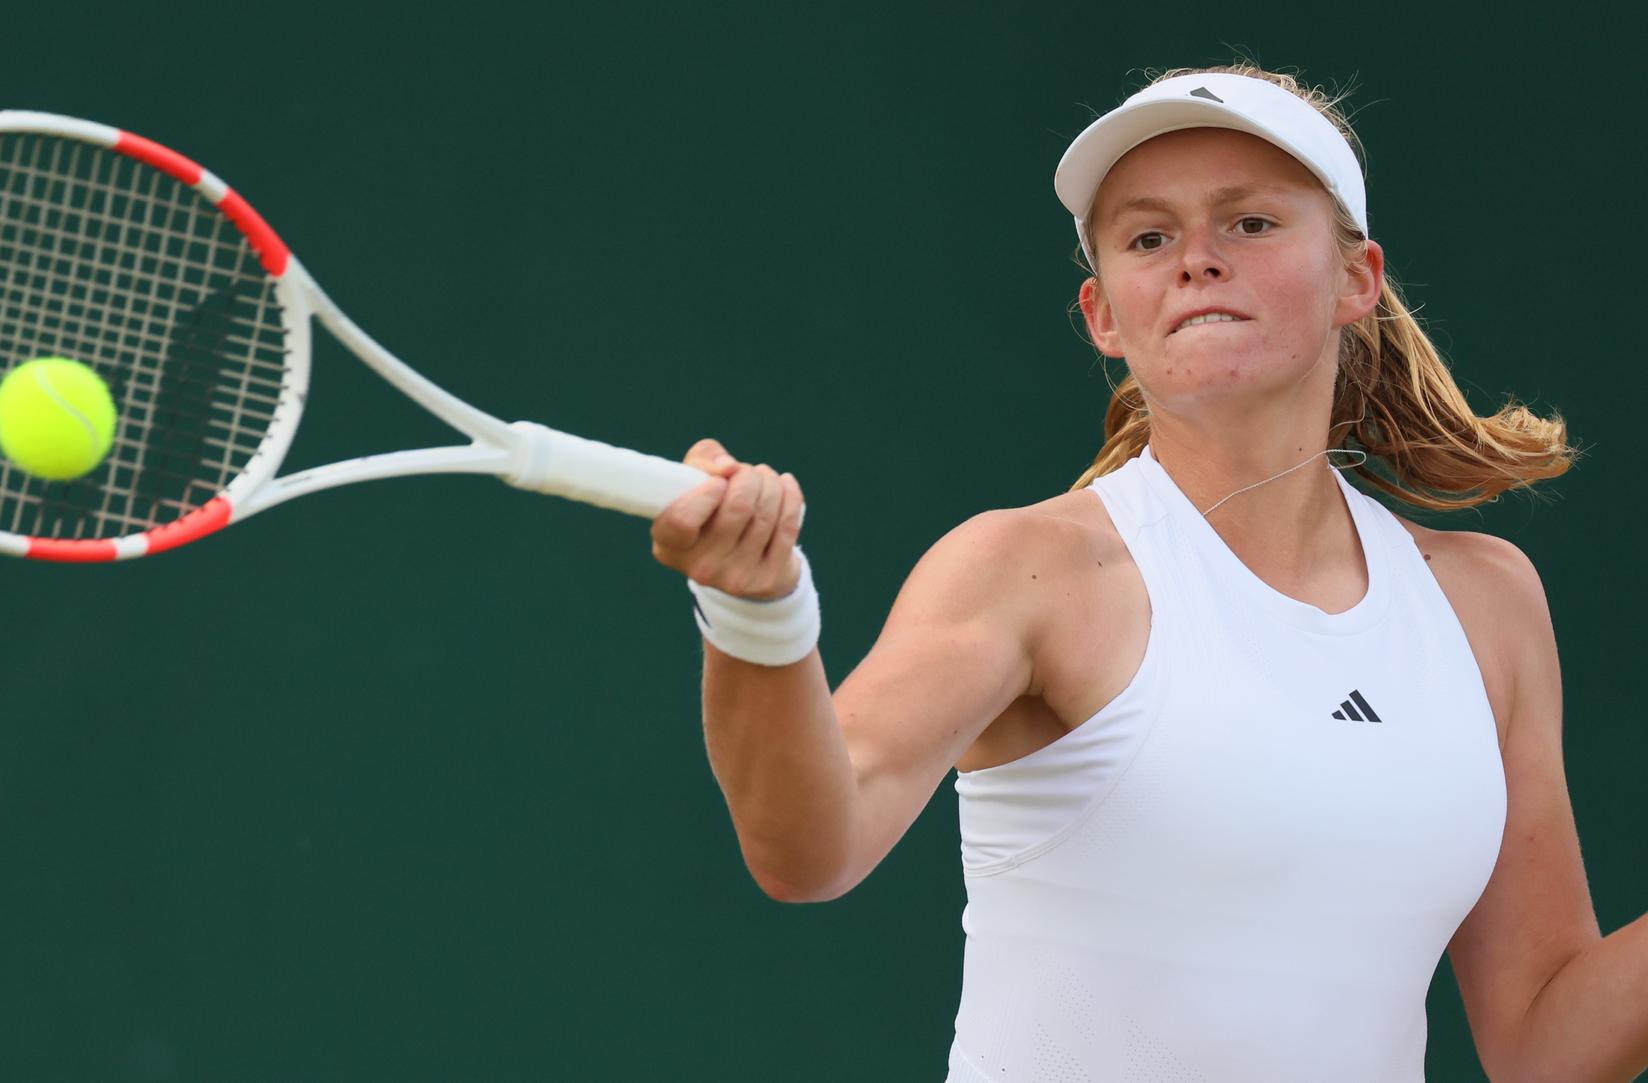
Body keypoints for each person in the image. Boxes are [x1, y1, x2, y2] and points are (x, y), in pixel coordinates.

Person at [648, 63, 1643, 1081]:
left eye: (1250, 223)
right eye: (1149, 237)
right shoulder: (1024, 572)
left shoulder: (1488, 604)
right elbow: (809, 848)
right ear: (1104, 316)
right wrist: (756, 610)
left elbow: (1546, 1044)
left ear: (1358, 279)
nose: (1197, 262)